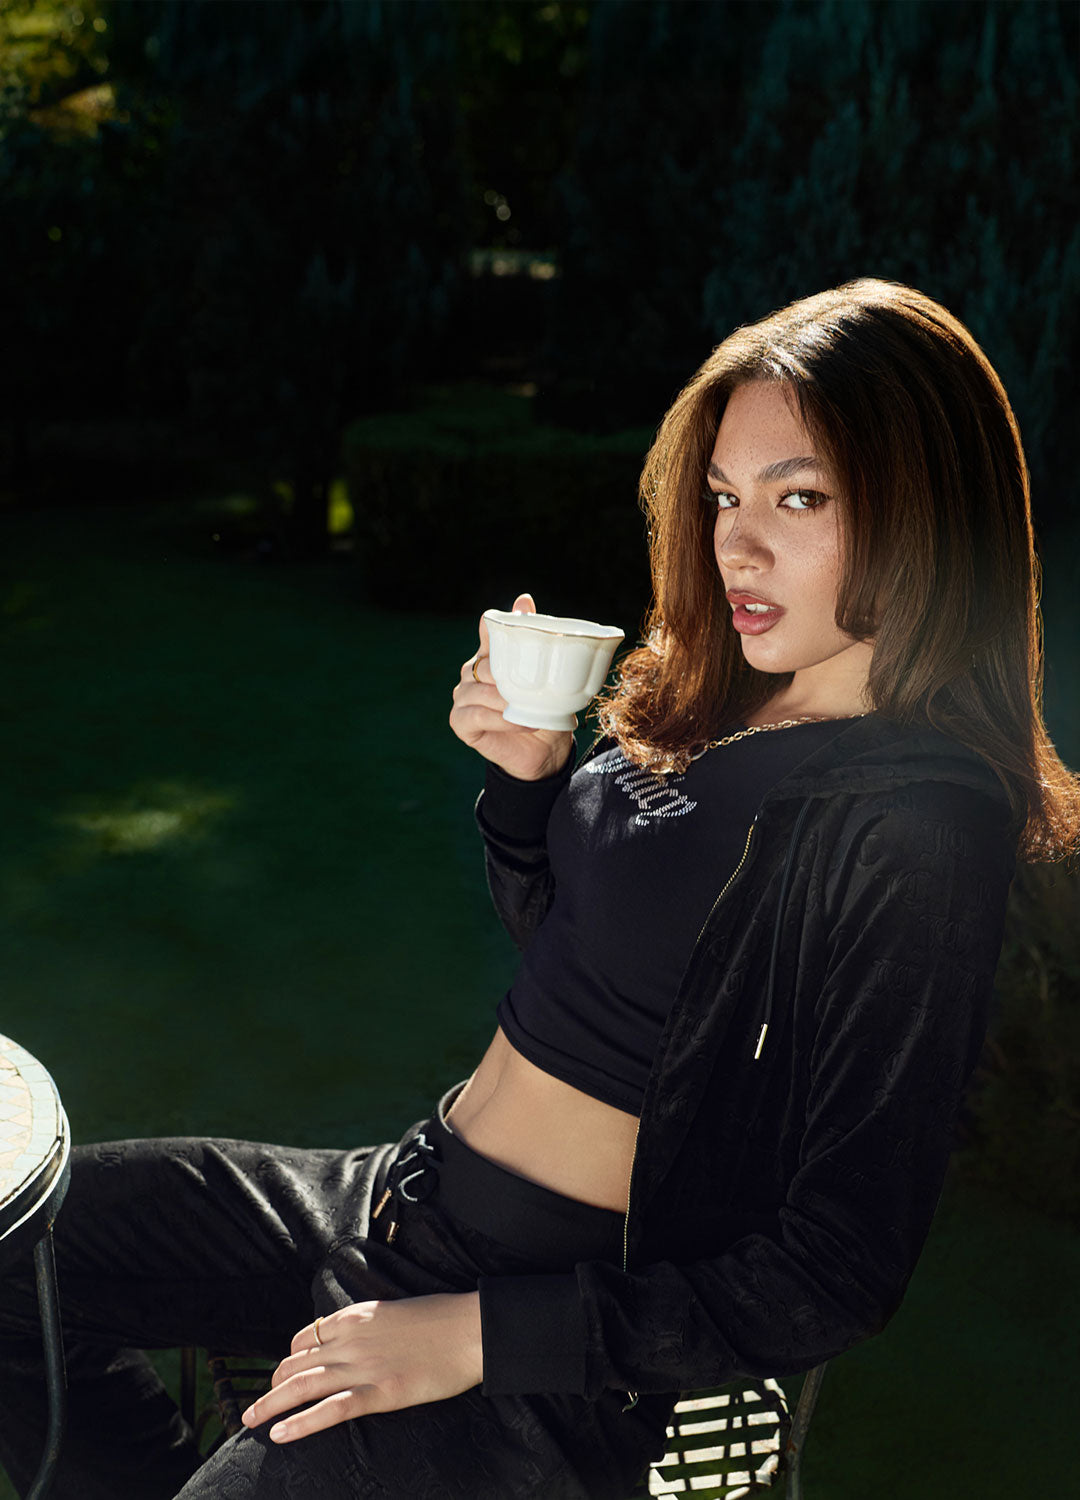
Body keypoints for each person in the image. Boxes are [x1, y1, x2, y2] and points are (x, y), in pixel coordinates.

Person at [1, 277, 1077, 1500]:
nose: (739, 542)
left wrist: (474, 1336)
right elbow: (582, 952)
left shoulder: (921, 818)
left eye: (803, 497)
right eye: (726, 495)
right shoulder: (737, 695)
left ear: (930, 509)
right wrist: (528, 785)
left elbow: (836, 1268)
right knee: (10, 1254)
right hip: (396, 1193)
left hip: (530, 1331)